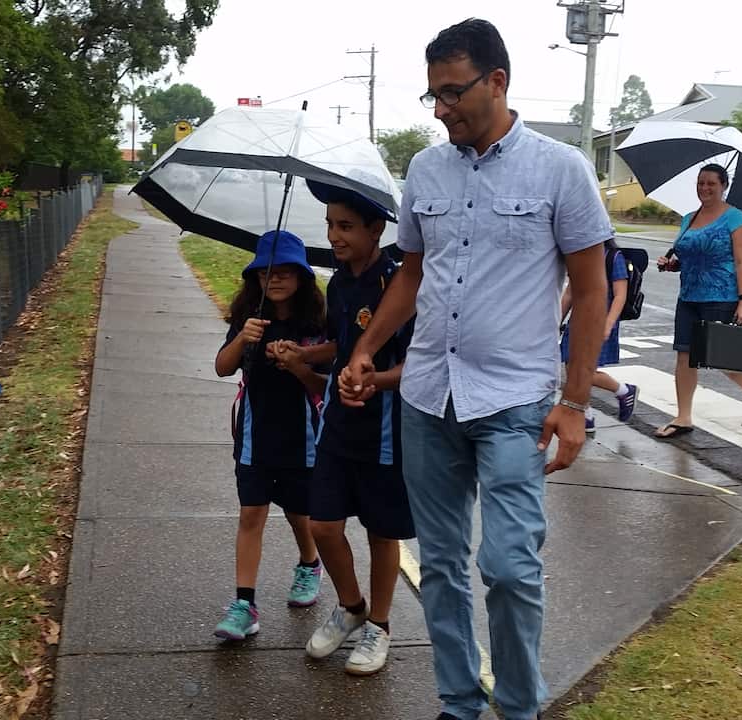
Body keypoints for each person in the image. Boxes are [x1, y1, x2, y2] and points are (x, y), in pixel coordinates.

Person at [339, 19, 613, 720]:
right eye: (432, 95)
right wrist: (368, 347)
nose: (441, 109)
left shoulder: (560, 169)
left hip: (515, 401)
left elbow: (591, 292)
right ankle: (459, 702)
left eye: (453, 92)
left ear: (497, 81)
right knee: (439, 565)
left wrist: (575, 403)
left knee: (511, 568)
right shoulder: (426, 171)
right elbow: (411, 275)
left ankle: (519, 708)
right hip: (428, 397)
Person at [283, 180, 416, 676]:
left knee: (382, 533)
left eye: (345, 226)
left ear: (376, 229)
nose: (334, 236)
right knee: (323, 525)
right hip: (336, 425)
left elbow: (420, 366)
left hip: (384, 432)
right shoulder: (338, 284)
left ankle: (379, 625)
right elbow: (343, 345)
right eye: (329, 225)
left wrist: (375, 382)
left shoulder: (400, 285)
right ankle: (352, 607)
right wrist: (303, 354)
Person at [212, 230, 326, 640]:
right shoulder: (250, 319)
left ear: (301, 276)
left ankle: (309, 564)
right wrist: (244, 337)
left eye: (283, 272)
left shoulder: (316, 325)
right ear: (254, 278)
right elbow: (222, 367)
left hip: (302, 438)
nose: (273, 279)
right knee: (251, 514)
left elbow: (323, 384)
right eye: (265, 273)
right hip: (255, 436)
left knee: (300, 513)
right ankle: (245, 604)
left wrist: (297, 365)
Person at [653, 163, 742, 439]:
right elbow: (688, 256)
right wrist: (672, 264)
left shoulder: (737, 219)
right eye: (701, 183)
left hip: (723, 296)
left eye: (711, 183)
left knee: (721, 358)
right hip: (689, 296)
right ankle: (683, 417)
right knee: (685, 357)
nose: (705, 188)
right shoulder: (690, 217)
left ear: (723, 186)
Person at [558, 239, 638, 434]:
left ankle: (623, 390)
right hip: (578, 320)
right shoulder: (579, 256)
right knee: (570, 367)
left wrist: (608, 324)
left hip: (600, 322)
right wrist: (556, 320)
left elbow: (620, 295)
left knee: (584, 372)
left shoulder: (614, 257)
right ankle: (585, 414)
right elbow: (570, 292)